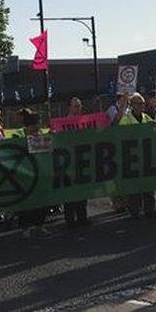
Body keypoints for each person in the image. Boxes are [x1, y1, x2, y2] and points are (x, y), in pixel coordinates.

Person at [117, 94, 156, 217]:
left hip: (146, 157)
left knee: (149, 185)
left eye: (143, 103)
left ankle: (149, 209)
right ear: (132, 105)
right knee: (134, 187)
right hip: (132, 158)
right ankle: (134, 211)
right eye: (139, 104)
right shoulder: (126, 119)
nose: (142, 106)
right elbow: (121, 135)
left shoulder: (147, 118)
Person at [17, 109, 53, 235]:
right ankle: (25, 226)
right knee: (27, 202)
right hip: (26, 173)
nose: (38, 128)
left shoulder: (41, 134)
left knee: (42, 200)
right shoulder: (19, 135)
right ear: (29, 126)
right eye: (36, 125)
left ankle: (40, 224)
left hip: (41, 172)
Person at [63, 97, 89, 228]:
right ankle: (70, 220)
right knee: (69, 193)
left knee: (82, 191)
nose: (78, 109)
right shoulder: (62, 124)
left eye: (79, 106)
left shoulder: (85, 122)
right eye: (75, 106)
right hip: (67, 163)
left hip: (81, 161)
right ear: (69, 108)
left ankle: (82, 218)